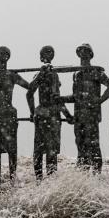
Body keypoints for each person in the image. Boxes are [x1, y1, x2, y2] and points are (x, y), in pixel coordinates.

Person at [58, 43, 109, 173]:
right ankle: (82, 172)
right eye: (81, 51)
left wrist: (98, 101)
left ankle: (96, 173)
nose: (83, 54)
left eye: (86, 51)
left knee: (93, 144)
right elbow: (76, 96)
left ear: (91, 54)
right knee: (80, 143)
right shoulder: (77, 74)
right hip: (79, 115)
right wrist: (61, 99)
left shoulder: (96, 71)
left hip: (91, 115)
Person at [0, 46, 30, 184]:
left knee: (12, 150)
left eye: (5, 53)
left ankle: (12, 180)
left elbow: (30, 87)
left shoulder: (12, 76)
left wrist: (42, 77)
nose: (2, 56)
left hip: (9, 115)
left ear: (8, 56)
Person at [26, 46, 74, 180]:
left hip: (44, 113)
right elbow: (55, 97)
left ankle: (42, 180)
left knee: (43, 149)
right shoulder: (49, 73)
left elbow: (30, 93)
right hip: (50, 114)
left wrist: (33, 112)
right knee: (48, 150)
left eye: (50, 53)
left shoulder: (46, 73)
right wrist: (68, 115)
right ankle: (46, 180)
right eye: (46, 53)